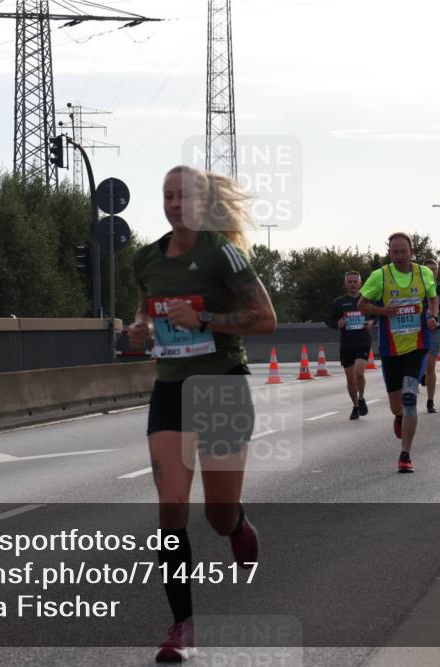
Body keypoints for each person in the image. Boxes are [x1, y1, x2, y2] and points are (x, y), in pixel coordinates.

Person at [128, 165, 278, 662]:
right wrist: (140, 330)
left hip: (221, 389)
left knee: (215, 514)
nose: (174, 204)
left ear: (201, 201)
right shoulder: (147, 258)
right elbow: (146, 313)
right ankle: (181, 628)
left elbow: (265, 319)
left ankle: (235, 525)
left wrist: (206, 318)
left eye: (183, 196)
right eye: (166, 195)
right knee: (171, 510)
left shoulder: (222, 252)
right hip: (170, 391)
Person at [358, 232, 439, 473]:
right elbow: (361, 304)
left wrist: (433, 316)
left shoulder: (423, 273)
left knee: (410, 397)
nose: (400, 256)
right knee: (397, 405)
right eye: (395, 252)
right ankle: (399, 417)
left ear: (411, 252)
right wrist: (383, 311)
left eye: (404, 251)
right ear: (389, 253)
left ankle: (405, 454)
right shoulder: (379, 276)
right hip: (390, 348)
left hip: (417, 344)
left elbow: (433, 299)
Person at [325, 271, 375, 420]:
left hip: (363, 341)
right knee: (350, 379)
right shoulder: (339, 302)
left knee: (359, 373)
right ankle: (355, 405)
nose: (353, 284)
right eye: (350, 282)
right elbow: (329, 320)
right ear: (345, 284)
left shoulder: (367, 299)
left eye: (355, 281)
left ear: (360, 283)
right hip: (347, 344)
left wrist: (372, 322)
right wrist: (337, 323)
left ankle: (361, 398)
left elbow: (377, 315)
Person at [420, 258, 440, 413]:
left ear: (438, 271)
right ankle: (421, 374)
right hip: (417, 329)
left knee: (431, 364)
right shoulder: (416, 288)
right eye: (428, 269)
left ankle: (430, 402)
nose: (431, 272)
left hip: (435, 329)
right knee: (419, 363)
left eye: (434, 269)